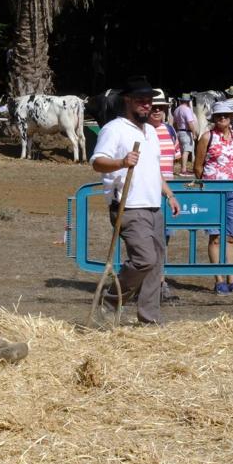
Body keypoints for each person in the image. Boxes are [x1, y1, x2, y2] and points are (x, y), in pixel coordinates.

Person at [90, 76, 181, 325]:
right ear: (127, 100)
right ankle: (110, 303)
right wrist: (121, 162)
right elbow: (97, 162)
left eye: (149, 101)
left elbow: (154, 170)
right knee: (144, 259)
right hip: (128, 206)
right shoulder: (114, 129)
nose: (147, 105)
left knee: (156, 264)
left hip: (154, 206)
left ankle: (149, 319)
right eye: (141, 100)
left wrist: (169, 194)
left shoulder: (151, 131)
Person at [193, 101, 233, 295]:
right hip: (213, 191)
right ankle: (219, 280)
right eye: (218, 116)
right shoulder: (207, 137)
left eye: (225, 115)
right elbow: (198, 166)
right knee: (215, 237)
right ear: (213, 118)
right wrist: (207, 187)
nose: (222, 118)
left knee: (232, 237)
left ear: (231, 117)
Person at [149, 92, 181, 301]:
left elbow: (175, 159)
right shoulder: (141, 132)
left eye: (162, 107)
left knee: (164, 240)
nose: (158, 110)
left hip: (166, 192)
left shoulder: (170, 130)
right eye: (154, 106)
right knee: (149, 241)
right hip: (148, 192)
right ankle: (153, 284)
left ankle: (159, 282)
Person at [173, 93, 197, 175]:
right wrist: (194, 133)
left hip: (179, 131)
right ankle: (183, 169)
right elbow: (190, 122)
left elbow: (174, 123)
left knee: (182, 151)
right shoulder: (187, 110)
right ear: (188, 101)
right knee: (186, 151)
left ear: (180, 100)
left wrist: (176, 132)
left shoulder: (177, 109)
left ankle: (182, 168)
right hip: (186, 132)